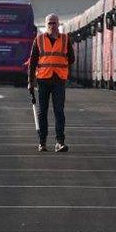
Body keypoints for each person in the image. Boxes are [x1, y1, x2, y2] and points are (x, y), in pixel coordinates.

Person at [28, 13, 74, 153]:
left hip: (59, 80)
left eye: (54, 23)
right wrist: (30, 82)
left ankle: (59, 142)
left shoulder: (65, 39)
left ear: (58, 24)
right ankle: (42, 142)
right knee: (43, 112)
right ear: (46, 24)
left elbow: (71, 58)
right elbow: (33, 62)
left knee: (59, 111)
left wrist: (63, 68)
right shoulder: (39, 40)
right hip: (43, 80)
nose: (52, 26)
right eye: (49, 23)